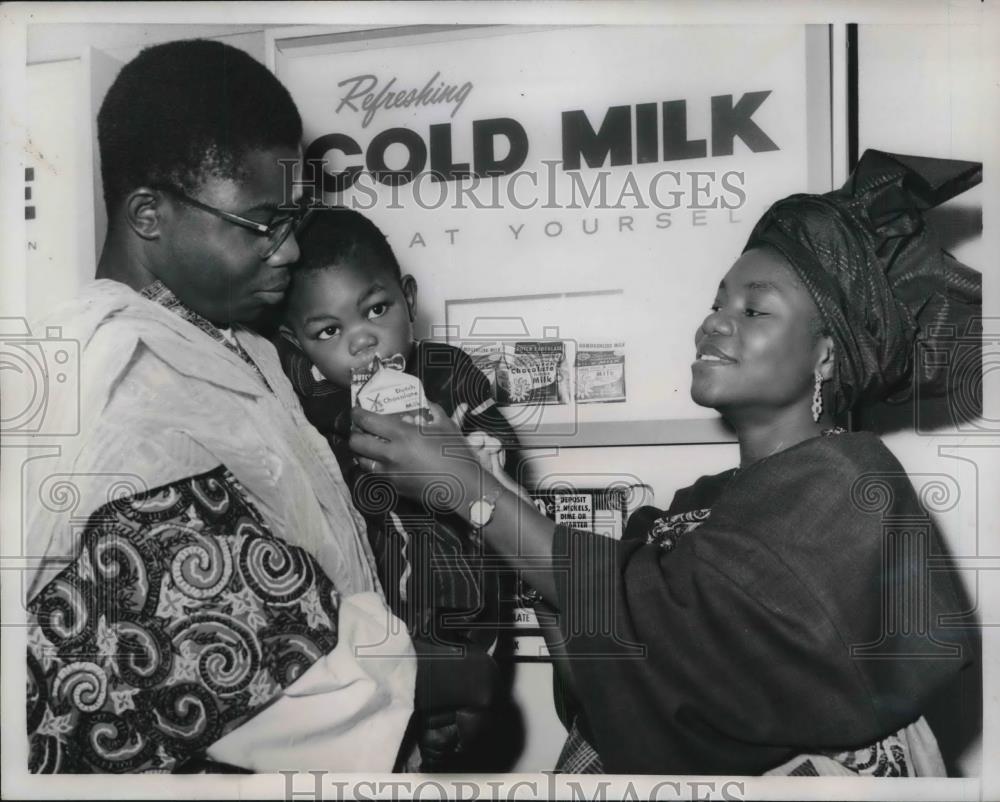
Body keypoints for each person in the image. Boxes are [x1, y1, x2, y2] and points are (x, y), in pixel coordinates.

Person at [348, 149, 981, 775]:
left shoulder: (851, 480)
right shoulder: (690, 507)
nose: (714, 324)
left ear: (827, 357)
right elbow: (611, 689)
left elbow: (700, 652)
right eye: (717, 303)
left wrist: (469, 489)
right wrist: (494, 494)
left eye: (753, 310)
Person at [23, 40, 415, 774]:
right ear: (148, 215)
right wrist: (447, 680)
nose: (292, 250)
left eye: (294, 217)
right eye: (264, 224)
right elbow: (264, 676)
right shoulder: (131, 393)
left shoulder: (231, 343)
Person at [276, 207, 519, 769]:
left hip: (462, 609)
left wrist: (448, 446)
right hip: (370, 627)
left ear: (409, 300)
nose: (363, 340)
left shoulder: (449, 375)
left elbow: (502, 479)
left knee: (454, 739)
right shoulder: (312, 408)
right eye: (329, 331)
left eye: (377, 310)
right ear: (301, 344)